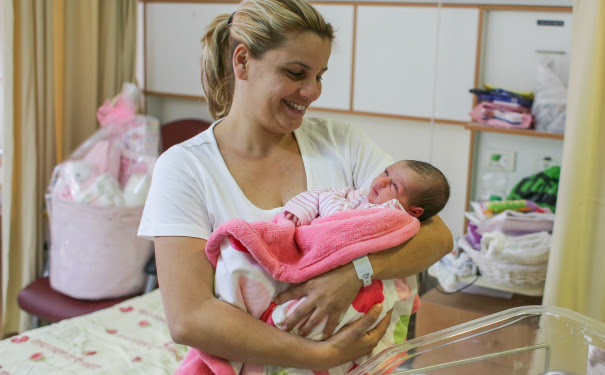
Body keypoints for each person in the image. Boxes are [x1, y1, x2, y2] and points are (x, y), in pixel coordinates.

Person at [137, 0, 453, 372]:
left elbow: (437, 235)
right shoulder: (186, 168)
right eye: (295, 72)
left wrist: (354, 272)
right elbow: (189, 318)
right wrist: (324, 355)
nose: (312, 91)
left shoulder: (340, 143)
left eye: (319, 75)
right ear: (242, 61)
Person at [284, 159, 450, 226]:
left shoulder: (389, 216)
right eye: (386, 172)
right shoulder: (363, 196)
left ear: (413, 211)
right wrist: (302, 211)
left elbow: (338, 220)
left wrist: (325, 198)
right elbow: (326, 191)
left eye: (395, 186)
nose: (382, 181)